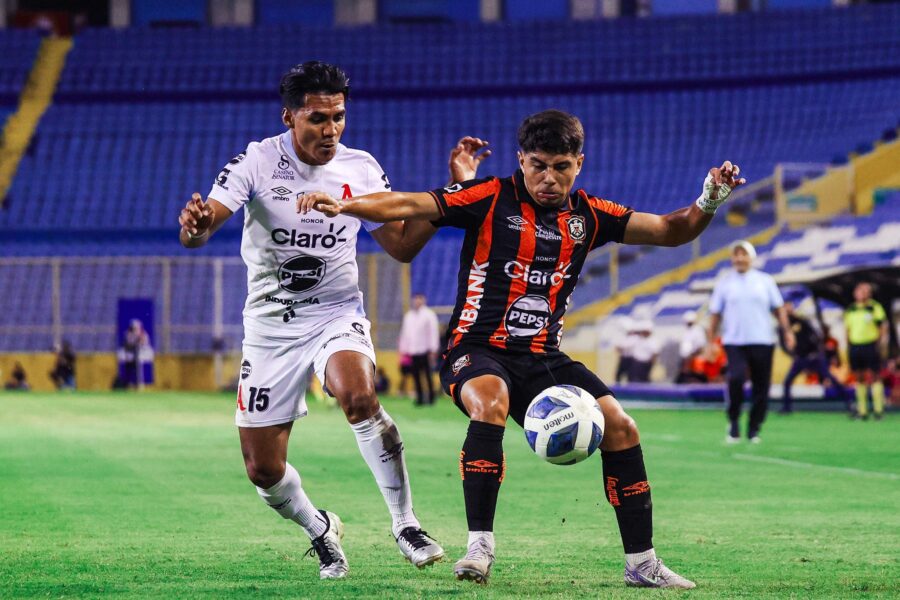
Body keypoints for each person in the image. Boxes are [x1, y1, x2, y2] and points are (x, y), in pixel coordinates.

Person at [299, 108, 746, 589]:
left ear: (579, 164)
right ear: (521, 160)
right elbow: (409, 204)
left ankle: (642, 562)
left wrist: (710, 197)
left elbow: (671, 230)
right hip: (475, 348)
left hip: (542, 356)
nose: (549, 178)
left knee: (621, 427)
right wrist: (346, 206)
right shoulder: (490, 196)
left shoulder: (590, 216)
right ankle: (479, 548)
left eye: (561, 167)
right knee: (490, 402)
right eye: (538, 165)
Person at [177, 62, 488, 578]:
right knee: (263, 471)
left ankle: (406, 523)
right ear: (289, 117)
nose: (331, 130)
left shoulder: (361, 169)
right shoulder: (256, 161)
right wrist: (195, 225)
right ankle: (321, 529)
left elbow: (403, 245)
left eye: (338, 117)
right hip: (270, 329)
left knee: (358, 394)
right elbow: (202, 227)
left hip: (335, 314)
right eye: (318, 118)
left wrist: (455, 194)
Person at [708, 241, 795, 443]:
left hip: (763, 340)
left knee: (761, 386)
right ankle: (734, 422)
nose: (739, 259)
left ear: (751, 258)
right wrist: (710, 341)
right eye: (736, 255)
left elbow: (779, 309)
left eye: (743, 255)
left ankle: (754, 428)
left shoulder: (765, 281)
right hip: (734, 340)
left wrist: (788, 332)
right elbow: (715, 314)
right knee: (736, 379)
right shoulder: (724, 283)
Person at [780, 301, 847, 413]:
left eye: (789, 307)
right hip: (800, 359)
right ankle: (786, 408)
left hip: (814, 357)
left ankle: (848, 402)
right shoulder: (783, 326)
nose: (788, 309)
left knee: (830, 378)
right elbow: (784, 345)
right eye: (785, 307)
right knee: (787, 382)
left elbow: (816, 336)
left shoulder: (801, 321)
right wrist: (794, 355)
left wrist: (816, 352)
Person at [843, 282, 889, 420]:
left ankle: (878, 410)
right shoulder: (851, 309)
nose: (862, 293)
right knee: (859, 377)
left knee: (875, 375)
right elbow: (847, 329)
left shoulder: (874, 307)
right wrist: (848, 345)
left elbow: (882, 326)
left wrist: (880, 343)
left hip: (870, 345)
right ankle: (862, 411)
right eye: (860, 290)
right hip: (855, 346)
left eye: (865, 291)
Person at [398, 293, 440, 405]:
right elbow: (405, 333)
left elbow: (433, 333)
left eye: (419, 299)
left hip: (425, 350)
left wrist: (433, 349)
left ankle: (431, 397)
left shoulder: (429, 315)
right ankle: (420, 398)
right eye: (415, 299)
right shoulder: (409, 316)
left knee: (427, 375)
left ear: (424, 300)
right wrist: (404, 349)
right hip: (413, 351)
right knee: (416, 376)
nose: (417, 301)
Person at [676, 311, 708, 383]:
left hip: (694, 361)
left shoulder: (698, 331)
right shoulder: (686, 331)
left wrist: (690, 357)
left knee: (696, 379)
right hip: (686, 360)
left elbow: (701, 347)